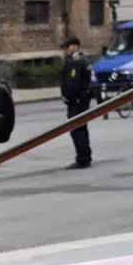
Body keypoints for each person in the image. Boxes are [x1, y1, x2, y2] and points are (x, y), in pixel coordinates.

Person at [59, 36, 93, 169]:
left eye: (67, 47)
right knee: (81, 128)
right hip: (81, 100)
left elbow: (73, 83)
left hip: (77, 101)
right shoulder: (82, 59)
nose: (65, 50)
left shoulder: (76, 61)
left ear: (75, 46)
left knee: (77, 129)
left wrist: (68, 96)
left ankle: (82, 159)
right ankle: (85, 156)